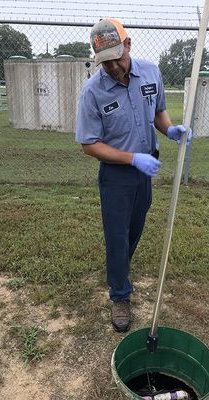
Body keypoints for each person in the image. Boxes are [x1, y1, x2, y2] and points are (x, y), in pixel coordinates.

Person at [75, 18, 192, 333]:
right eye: (105, 61)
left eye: (118, 56)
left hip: (145, 173)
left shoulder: (151, 72)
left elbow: (158, 111)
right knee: (117, 237)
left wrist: (170, 130)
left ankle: (119, 271)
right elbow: (89, 144)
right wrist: (131, 159)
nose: (113, 65)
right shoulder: (93, 91)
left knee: (134, 231)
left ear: (128, 44)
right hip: (116, 178)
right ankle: (120, 294)